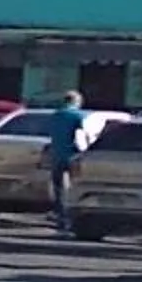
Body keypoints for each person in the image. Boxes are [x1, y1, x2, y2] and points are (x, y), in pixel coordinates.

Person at [46, 91, 90, 235]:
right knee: (75, 188)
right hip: (73, 156)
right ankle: (72, 219)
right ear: (76, 101)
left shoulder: (55, 115)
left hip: (56, 155)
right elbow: (86, 133)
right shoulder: (78, 116)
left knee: (58, 190)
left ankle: (60, 219)